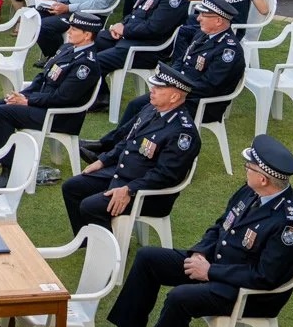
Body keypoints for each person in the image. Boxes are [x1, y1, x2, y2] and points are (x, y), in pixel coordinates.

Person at [100, 134, 293, 327]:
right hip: (217, 265)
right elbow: (220, 226)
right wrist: (200, 253)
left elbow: (265, 276)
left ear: (263, 178)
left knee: (180, 299)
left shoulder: (290, 224)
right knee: (149, 258)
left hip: (248, 293)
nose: (244, 170)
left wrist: (211, 272)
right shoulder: (251, 191)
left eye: (249, 167)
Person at [63, 64, 200, 235]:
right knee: (72, 187)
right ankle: (88, 241)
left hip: (149, 194)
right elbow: (128, 141)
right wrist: (103, 160)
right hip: (124, 173)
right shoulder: (152, 109)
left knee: (90, 206)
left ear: (174, 97)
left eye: (159, 88)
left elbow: (165, 176)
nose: (153, 90)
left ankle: (114, 254)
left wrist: (130, 189)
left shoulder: (183, 133)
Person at [0, 10, 102, 188]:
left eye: (74, 29)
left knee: (2, 112)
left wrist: (28, 101)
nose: (69, 31)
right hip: (43, 105)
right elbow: (43, 77)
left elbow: (63, 97)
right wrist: (24, 94)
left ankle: (9, 173)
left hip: (59, 116)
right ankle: (8, 161)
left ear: (87, 35)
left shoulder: (86, 64)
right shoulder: (68, 48)